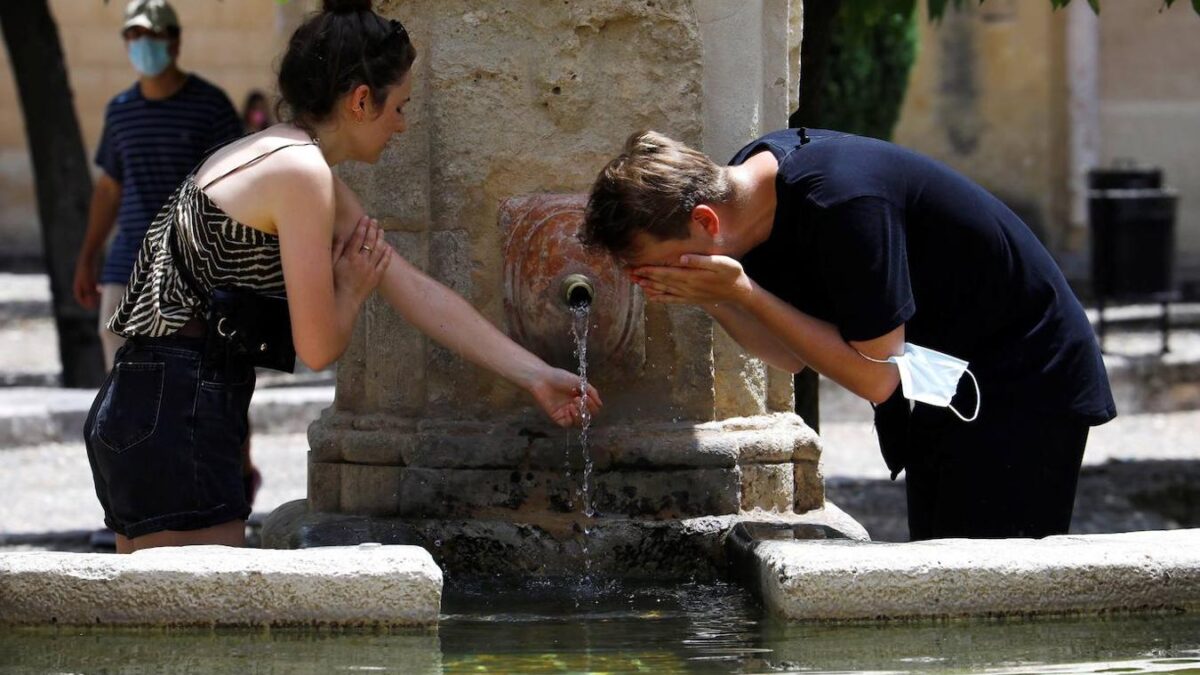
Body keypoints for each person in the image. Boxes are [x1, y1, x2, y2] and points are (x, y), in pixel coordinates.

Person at [84, 0, 600, 554]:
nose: (402, 124)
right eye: (399, 107)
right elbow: (319, 345)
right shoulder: (301, 173)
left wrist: (534, 375)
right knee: (203, 633)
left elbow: (412, 288)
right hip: (177, 407)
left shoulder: (282, 155)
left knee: (167, 633)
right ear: (360, 101)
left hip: (145, 400)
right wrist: (350, 291)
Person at [583, 128, 1115, 541]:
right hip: (946, 390)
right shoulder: (748, 203)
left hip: (1025, 380)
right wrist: (718, 296)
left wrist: (744, 293)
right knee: (941, 573)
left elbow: (878, 377)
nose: (652, 282)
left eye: (656, 266)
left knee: (1001, 594)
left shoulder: (842, 205)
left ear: (704, 220)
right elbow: (788, 356)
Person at [72, 0, 242, 373]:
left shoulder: (211, 107)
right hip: (125, 266)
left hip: (190, 270)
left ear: (175, 42)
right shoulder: (120, 111)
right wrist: (87, 257)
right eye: (134, 34)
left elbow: (236, 188)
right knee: (123, 382)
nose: (143, 42)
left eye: (153, 34)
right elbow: (109, 189)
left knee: (190, 380)